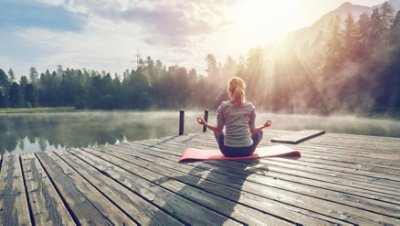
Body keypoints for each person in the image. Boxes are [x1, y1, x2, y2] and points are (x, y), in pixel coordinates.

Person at [196, 77, 271, 157]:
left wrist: (204, 123)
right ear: (243, 90)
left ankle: (235, 143)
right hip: (247, 151)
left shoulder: (223, 107)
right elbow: (253, 131)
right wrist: (264, 126)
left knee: (218, 131)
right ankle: (245, 143)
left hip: (228, 151)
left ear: (229, 91)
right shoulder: (250, 107)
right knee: (259, 132)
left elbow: (218, 130)